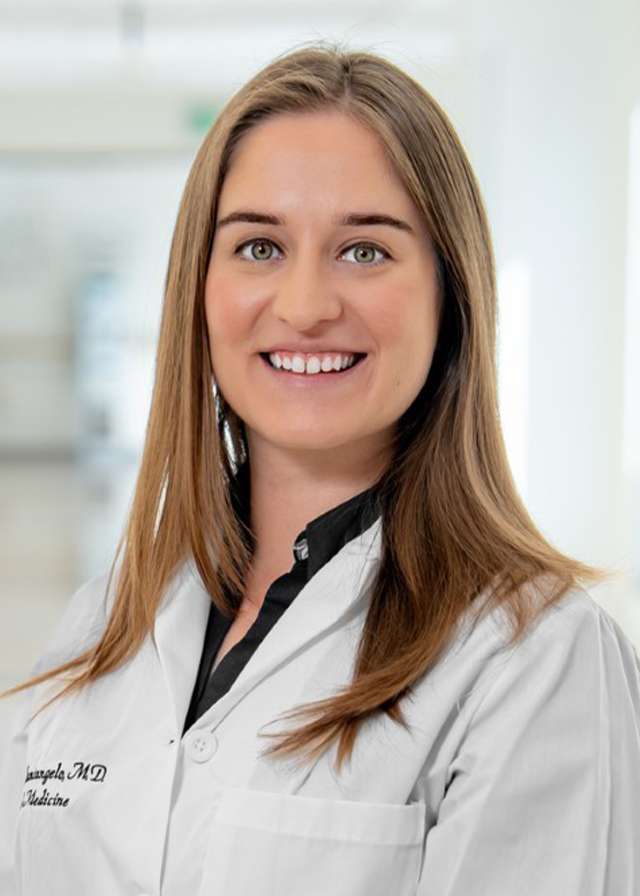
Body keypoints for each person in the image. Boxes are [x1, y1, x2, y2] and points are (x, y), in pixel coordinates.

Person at [1, 41, 639, 896]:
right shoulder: (110, 620)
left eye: (365, 251)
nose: (303, 307)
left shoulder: (534, 660)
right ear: (199, 287)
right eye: (259, 247)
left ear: (452, 295)